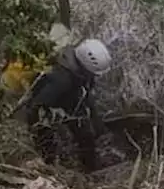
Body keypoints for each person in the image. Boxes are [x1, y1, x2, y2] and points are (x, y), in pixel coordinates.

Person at [17, 37, 113, 173]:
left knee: (86, 135)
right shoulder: (61, 80)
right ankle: (48, 164)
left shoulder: (82, 74)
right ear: (84, 66)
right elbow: (36, 107)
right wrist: (43, 135)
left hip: (70, 98)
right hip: (48, 105)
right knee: (47, 141)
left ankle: (90, 168)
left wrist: (97, 123)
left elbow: (86, 95)